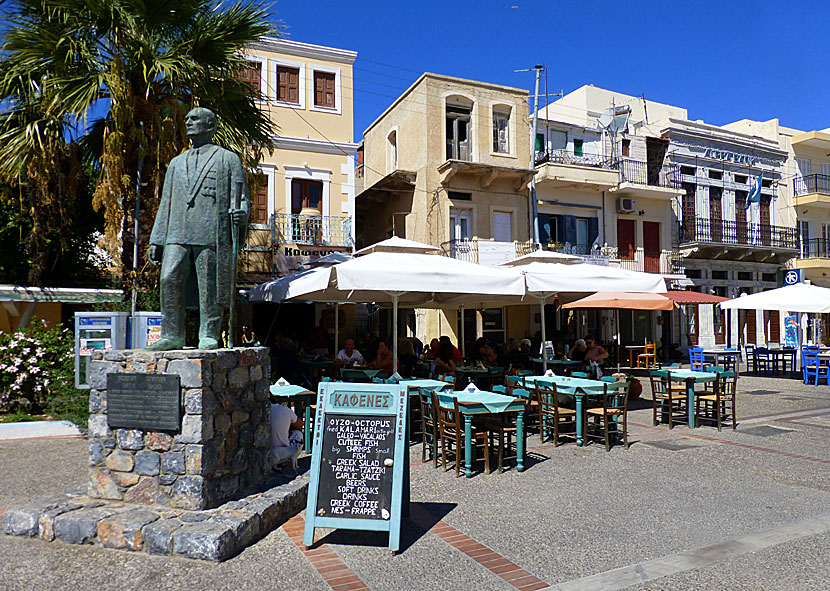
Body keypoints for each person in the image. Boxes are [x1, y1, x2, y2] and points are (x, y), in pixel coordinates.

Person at [147, 107, 249, 350]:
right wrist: (157, 239)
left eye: (194, 119)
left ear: (210, 126)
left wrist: (241, 213)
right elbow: (166, 202)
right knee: (168, 278)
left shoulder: (227, 159)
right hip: (177, 232)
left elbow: (241, 198)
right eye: (187, 119)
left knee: (209, 285)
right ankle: (171, 334)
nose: (188, 122)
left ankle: (209, 334)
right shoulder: (176, 163)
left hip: (211, 233)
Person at [270, 402, 303, 471]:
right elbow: (300, 424)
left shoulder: (264, 409)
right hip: (282, 455)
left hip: (268, 452)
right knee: (298, 433)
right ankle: (290, 461)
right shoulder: (286, 410)